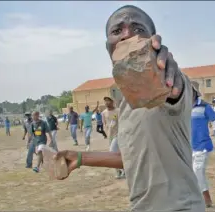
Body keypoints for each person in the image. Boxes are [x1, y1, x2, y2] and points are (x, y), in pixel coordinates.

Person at [54, 5, 206, 211]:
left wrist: (168, 76)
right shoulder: (126, 101)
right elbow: (133, 158)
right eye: (117, 31)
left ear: (154, 40)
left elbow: (176, 90)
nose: (127, 36)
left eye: (138, 29)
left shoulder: (167, 81)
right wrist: (80, 158)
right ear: (108, 46)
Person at [191, 81, 215, 208]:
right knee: (190, 173)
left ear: (194, 92)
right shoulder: (182, 108)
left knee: (198, 171)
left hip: (202, 146)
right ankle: (195, 198)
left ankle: (207, 198)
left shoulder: (204, 107)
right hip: (188, 147)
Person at [101, 96, 124, 179]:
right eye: (105, 101)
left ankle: (122, 169)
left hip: (118, 135)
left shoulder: (118, 111)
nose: (107, 103)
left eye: (108, 101)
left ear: (112, 102)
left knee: (112, 151)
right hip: (110, 136)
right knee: (116, 153)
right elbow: (104, 124)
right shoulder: (104, 113)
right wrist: (107, 133)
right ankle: (118, 171)